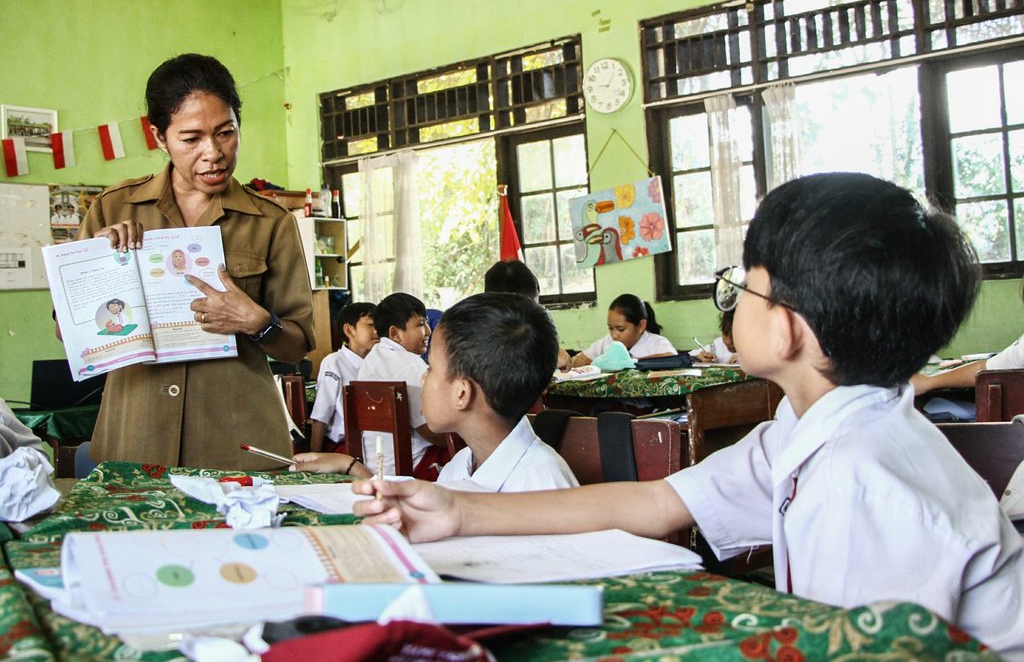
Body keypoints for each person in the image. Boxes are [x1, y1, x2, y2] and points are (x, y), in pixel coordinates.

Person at [353, 173, 1024, 658]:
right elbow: (658, 502)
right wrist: (458, 511)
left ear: (788, 331)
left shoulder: (863, 480)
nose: (733, 305)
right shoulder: (814, 429)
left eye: (745, 283)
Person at [66, 53, 314, 470]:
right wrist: (100, 270)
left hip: (237, 442)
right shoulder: (112, 209)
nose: (213, 153)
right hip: (135, 436)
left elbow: (299, 343)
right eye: (191, 138)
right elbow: (68, 331)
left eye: (226, 133)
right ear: (159, 136)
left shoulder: (271, 222)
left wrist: (257, 322)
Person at [294, 293, 578, 492]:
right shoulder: (460, 466)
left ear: (461, 393)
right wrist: (351, 466)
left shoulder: (541, 481)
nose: (423, 377)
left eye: (430, 369)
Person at [356, 292, 447, 479]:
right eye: (421, 325)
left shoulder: (372, 359)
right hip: (413, 464)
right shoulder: (409, 365)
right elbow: (431, 431)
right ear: (395, 333)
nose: (429, 331)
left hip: (377, 465)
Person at [307, 302, 378, 453]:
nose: (377, 330)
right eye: (371, 325)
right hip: (344, 446)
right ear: (349, 330)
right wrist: (315, 458)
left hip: (373, 443)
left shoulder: (378, 363)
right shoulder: (334, 363)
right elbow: (321, 415)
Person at [567, 293, 676, 368]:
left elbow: (672, 359)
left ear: (641, 326)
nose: (614, 335)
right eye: (610, 328)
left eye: (621, 329)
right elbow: (580, 357)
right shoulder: (607, 342)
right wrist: (578, 361)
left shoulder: (655, 342)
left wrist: (626, 363)